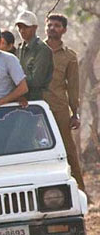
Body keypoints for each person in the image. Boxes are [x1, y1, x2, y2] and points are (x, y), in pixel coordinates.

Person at [43, 13, 85, 191]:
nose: (52, 28)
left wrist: (74, 113)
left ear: (64, 30)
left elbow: (73, 86)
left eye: (57, 25)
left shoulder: (69, 56)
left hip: (59, 108)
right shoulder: (35, 50)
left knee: (68, 149)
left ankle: (80, 192)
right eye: (50, 25)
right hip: (34, 108)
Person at [15, 10, 53, 101]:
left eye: (26, 27)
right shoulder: (19, 49)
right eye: (19, 27)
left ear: (35, 27)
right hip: (20, 101)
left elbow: (36, 80)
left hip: (36, 102)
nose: (22, 31)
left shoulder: (42, 50)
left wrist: (14, 79)